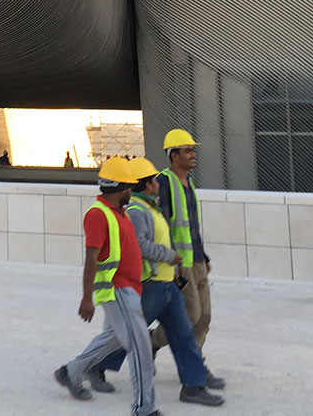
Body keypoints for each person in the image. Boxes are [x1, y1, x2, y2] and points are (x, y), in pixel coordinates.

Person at [92, 157, 225, 407]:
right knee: (129, 334)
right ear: (145, 185)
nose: (157, 184)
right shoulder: (136, 211)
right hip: (150, 283)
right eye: (153, 181)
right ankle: (94, 365)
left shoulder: (153, 208)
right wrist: (170, 257)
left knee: (184, 333)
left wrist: (176, 273)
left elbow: (168, 239)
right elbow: (141, 246)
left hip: (166, 283)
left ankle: (193, 386)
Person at [53, 158, 160, 416]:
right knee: (140, 346)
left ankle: (72, 371)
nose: (131, 192)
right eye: (128, 187)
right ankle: (144, 409)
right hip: (117, 290)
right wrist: (86, 298)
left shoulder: (118, 213)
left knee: (114, 339)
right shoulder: (98, 215)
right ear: (118, 187)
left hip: (128, 289)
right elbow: (91, 257)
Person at [152, 129, 220, 383]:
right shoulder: (165, 183)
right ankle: (152, 343)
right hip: (180, 264)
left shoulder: (189, 183)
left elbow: (191, 225)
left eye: (193, 150)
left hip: (197, 261)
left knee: (204, 317)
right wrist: (174, 261)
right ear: (173, 155)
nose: (193, 155)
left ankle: (196, 365)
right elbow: (164, 226)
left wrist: (203, 256)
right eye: (188, 150)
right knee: (189, 316)